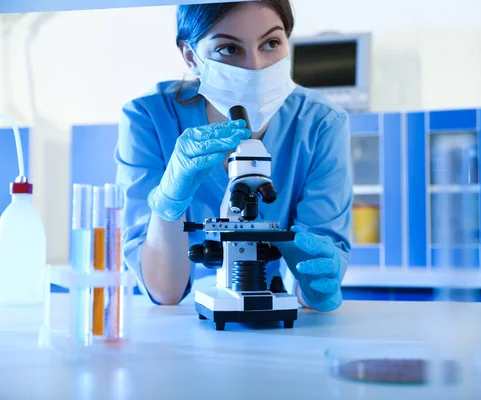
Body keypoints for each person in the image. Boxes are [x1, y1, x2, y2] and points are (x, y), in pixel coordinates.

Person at [115, 0, 353, 312]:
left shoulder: (320, 123)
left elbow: (311, 285)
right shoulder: (149, 117)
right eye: (229, 49)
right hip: (179, 321)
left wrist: (317, 281)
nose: (256, 66)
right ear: (192, 56)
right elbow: (166, 292)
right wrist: (168, 203)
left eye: (271, 43)